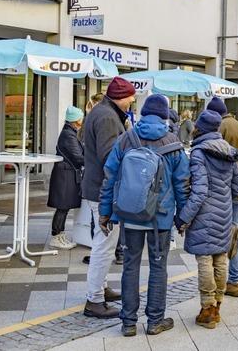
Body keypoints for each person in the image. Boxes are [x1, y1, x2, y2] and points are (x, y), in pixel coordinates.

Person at [99, 95, 190, 336]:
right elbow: (182, 184)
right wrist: (182, 218)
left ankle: (128, 322)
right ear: (164, 116)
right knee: (158, 267)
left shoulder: (126, 139)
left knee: (130, 266)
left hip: (129, 215)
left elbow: (109, 177)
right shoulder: (174, 142)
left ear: (143, 113)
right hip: (160, 217)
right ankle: (154, 321)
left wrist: (105, 212)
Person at [176, 110, 238, 329]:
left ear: (200, 128)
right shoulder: (229, 151)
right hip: (224, 213)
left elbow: (200, 192)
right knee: (220, 258)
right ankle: (218, 306)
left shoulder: (199, 152)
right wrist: (223, 200)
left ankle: (207, 309)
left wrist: (183, 218)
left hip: (204, 213)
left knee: (205, 259)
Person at [81, 76, 136, 318]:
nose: (133, 102)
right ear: (121, 98)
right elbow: (109, 158)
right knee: (105, 245)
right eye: (131, 99)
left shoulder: (104, 112)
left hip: (98, 188)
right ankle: (94, 300)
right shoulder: (107, 117)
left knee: (103, 242)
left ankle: (100, 288)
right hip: (104, 190)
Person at [206, 97, 238, 298]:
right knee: (235, 235)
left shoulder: (219, 128)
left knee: (221, 236)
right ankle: (235, 280)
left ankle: (220, 280)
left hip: (224, 190)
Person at [47, 106, 85, 250]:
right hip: (65, 176)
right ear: (76, 120)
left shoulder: (70, 132)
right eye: (80, 118)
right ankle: (56, 237)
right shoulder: (68, 134)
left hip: (66, 174)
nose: (82, 120)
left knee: (64, 206)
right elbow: (78, 157)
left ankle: (59, 234)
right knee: (63, 206)